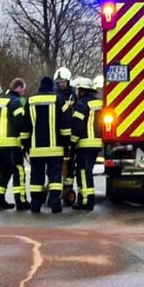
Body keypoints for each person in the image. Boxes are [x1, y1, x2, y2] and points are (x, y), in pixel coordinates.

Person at [25, 76, 68, 213]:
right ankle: (55, 204)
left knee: (36, 177)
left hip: (36, 148)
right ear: (52, 86)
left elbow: (25, 127)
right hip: (55, 148)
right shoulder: (59, 99)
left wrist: (25, 145)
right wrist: (67, 145)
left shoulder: (30, 100)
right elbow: (65, 126)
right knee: (55, 177)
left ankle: (35, 205)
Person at [0, 77, 29, 210]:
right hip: (11, 143)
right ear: (18, 88)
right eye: (23, 89)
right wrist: (25, 141)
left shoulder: (0, 101)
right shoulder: (15, 102)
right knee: (18, 170)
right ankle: (21, 201)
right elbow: (20, 123)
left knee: (4, 172)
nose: (23, 92)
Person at [70, 77, 103, 211]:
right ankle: (85, 199)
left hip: (84, 143)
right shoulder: (99, 103)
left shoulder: (81, 104)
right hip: (96, 143)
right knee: (87, 171)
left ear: (82, 91)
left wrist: (71, 142)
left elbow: (77, 125)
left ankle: (86, 201)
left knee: (83, 172)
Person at [53, 66, 76, 203]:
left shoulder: (73, 95)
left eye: (63, 82)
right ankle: (55, 187)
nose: (61, 84)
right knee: (56, 164)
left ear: (68, 81)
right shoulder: (55, 95)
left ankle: (68, 187)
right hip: (57, 134)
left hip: (71, 133)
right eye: (59, 82)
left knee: (70, 163)